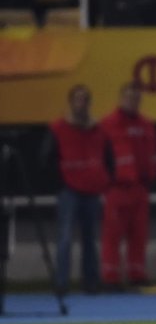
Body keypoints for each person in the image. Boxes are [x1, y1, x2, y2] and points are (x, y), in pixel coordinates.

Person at [43, 85, 107, 295]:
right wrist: (60, 183)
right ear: (71, 102)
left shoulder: (98, 129)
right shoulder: (58, 128)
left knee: (90, 239)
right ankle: (62, 283)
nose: (82, 103)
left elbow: (109, 158)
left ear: (89, 103)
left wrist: (103, 180)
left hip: (91, 190)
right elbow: (45, 159)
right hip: (68, 190)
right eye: (78, 99)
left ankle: (91, 282)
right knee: (65, 238)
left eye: (85, 99)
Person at [98, 82, 156, 290]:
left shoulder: (147, 125)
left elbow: (154, 153)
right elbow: (98, 155)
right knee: (112, 235)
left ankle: (137, 274)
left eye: (136, 98)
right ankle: (110, 277)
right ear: (121, 98)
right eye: (129, 97)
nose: (133, 101)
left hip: (140, 188)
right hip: (117, 188)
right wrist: (105, 183)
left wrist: (151, 175)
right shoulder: (107, 124)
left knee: (139, 235)